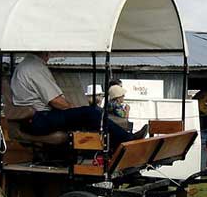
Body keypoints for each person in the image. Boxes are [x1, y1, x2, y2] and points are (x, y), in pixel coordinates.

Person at [11, 52, 147, 145]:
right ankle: (127, 139)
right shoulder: (34, 67)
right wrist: (75, 110)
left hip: (34, 119)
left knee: (90, 112)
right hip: (40, 119)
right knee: (89, 113)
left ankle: (116, 142)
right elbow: (56, 101)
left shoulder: (25, 66)